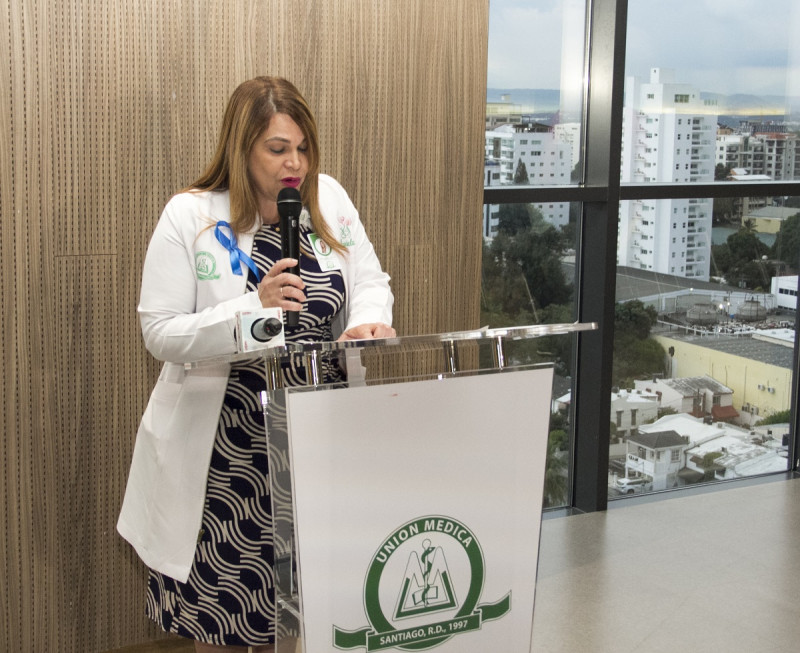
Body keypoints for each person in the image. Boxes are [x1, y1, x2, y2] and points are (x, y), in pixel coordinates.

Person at [117, 77, 395, 652]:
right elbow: (159, 332)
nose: (295, 163)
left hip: (319, 442)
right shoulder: (189, 215)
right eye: (277, 149)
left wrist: (368, 319)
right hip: (228, 454)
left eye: (302, 148)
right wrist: (254, 309)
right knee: (223, 622)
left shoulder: (329, 201)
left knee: (301, 614)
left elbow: (369, 279)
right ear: (241, 148)